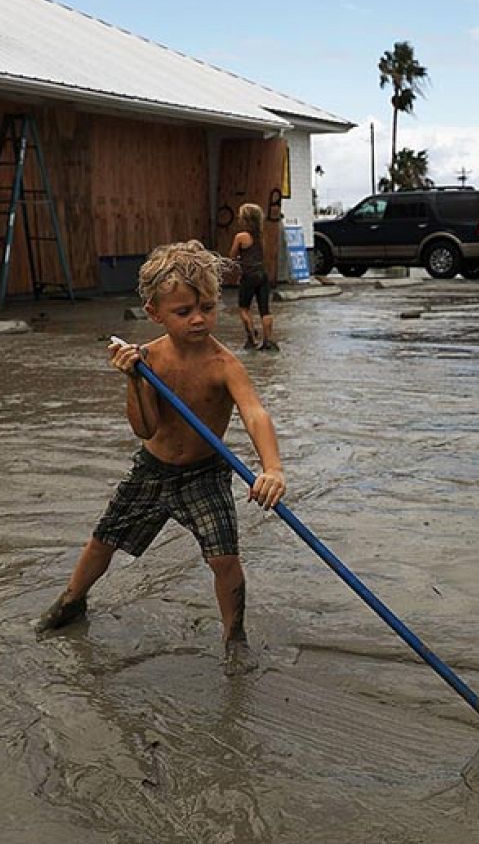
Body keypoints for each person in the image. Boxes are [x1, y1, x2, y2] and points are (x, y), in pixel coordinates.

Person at [35, 240, 287, 676]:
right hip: (152, 471)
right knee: (103, 540)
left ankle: (235, 636)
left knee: (224, 558)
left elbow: (254, 412)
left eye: (207, 307)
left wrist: (272, 469)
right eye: (184, 311)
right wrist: (134, 381)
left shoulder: (224, 364)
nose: (199, 319)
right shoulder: (148, 360)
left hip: (205, 474)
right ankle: (71, 601)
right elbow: (144, 428)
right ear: (155, 313)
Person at [229, 203, 277, 351]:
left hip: (249, 276)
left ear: (245, 219)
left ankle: (251, 339)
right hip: (262, 275)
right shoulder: (261, 236)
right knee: (265, 310)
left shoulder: (241, 237)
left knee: (243, 308)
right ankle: (268, 341)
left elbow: (232, 255)